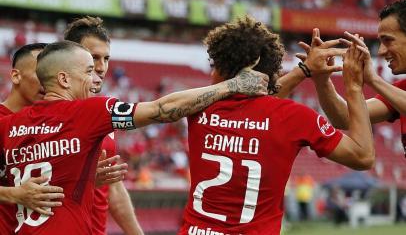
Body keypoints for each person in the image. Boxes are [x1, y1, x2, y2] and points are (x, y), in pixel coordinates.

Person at [0, 40, 268, 234]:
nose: (96, 78)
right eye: (87, 71)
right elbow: (160, 110)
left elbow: (54, 165)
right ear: (64, 79)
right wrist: (232, 85)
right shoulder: (88, 112)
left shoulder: (9, 125)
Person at [179, 16, 374, 235]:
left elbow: (253, 100)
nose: (212, 73)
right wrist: (353, 86)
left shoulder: (199, 106)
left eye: (216, 66)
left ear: (228, 69)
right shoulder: (295, 117)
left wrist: (305, 69)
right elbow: (362, 156)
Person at [64, 16, 142, 235]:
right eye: (93, 57)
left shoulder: (103, 113)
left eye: (106, 58)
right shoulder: (43, 114)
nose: (101, 67)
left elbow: (113, 188)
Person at [300, 0, 406, 157]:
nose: (381, 51)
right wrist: (322, 81)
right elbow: (344, 118)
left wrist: (373, 80)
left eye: (388, 40)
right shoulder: (400, 90)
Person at [0, 43, 65, 234]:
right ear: (15, 75)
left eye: (51, 75)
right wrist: (15, 194)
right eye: (40, 73)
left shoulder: (49, 128)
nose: (47, 82)